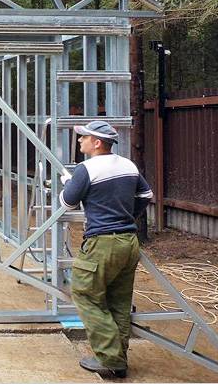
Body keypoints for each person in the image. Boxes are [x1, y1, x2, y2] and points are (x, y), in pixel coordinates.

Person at [60, 120, 153, 379]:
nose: (80, 141)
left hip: (102, 243)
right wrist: (128, 216)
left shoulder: (86, 169)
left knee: (85, 293)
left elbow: (68, 202)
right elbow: (146, 195)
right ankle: (118, 360)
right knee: (119, 302)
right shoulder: (128, 165)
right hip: (128, 242)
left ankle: (110, 357)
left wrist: (68, 182)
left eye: (84, 138)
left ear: (97, 143)